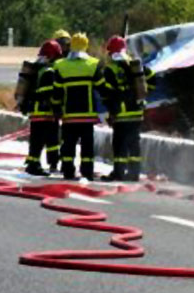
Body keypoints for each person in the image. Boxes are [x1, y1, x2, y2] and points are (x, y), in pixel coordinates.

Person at [101, 35, 156, 182]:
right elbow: (152, 77)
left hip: (121, 114)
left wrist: (112, 113)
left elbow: (108, 94)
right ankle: (134, 173)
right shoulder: (135, 65)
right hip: (137, 113)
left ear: (111, 52)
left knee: (119, 144)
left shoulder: (110, 69)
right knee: (134, 144)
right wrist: (145, 94)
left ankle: (118, 173)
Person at [53, 33, 106, 180]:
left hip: (69, 115)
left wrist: (56, 110)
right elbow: (102, 88)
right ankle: (87, 171)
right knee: (87, 146)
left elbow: (56, 92)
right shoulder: (93, 64)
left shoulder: (60, 65)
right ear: (86, 46)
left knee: (68, 144)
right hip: (87, 116)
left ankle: (68, 171)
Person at [23, 40, 63, 176]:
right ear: (52, 56)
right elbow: (49, 93)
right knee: (52, 140)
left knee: (36, 140)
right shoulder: (49, 71)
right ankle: (51, 164)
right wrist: (57, 108)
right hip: (46, 112)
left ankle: (32, 163)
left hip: (35, 111)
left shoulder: (37, 68)